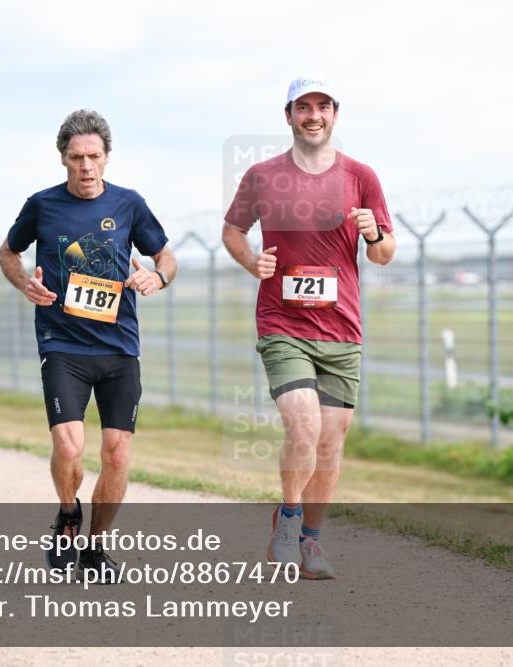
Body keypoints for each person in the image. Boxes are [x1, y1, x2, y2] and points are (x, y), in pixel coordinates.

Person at [222, 77, 396, 579]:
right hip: (283, 323)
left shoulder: (361, 176)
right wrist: (251, 261)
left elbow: (384, 254)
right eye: (303, 107)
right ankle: (289, 519)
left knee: (331, 440)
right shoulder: (262, 176)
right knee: (303, 424)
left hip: (341, 329)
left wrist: (374, 235)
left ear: (334, 115)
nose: (313, 115)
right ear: (289, 115)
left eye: (322, 106)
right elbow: (232, 231)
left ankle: (311, 543)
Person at [0, 109, 176, 581]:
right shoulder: (42, 205)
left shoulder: (129, 204)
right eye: (77, 157)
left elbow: (165, 255)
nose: (86, 166)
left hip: (119, 348)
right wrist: (24, 284)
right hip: (62, 345)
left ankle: (95, 548)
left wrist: (157, 276)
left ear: (107, 157)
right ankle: (67, 514)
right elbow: (8, 251)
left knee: (117, 454)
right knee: (69, 446)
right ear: (63, 158)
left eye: (94, 156)